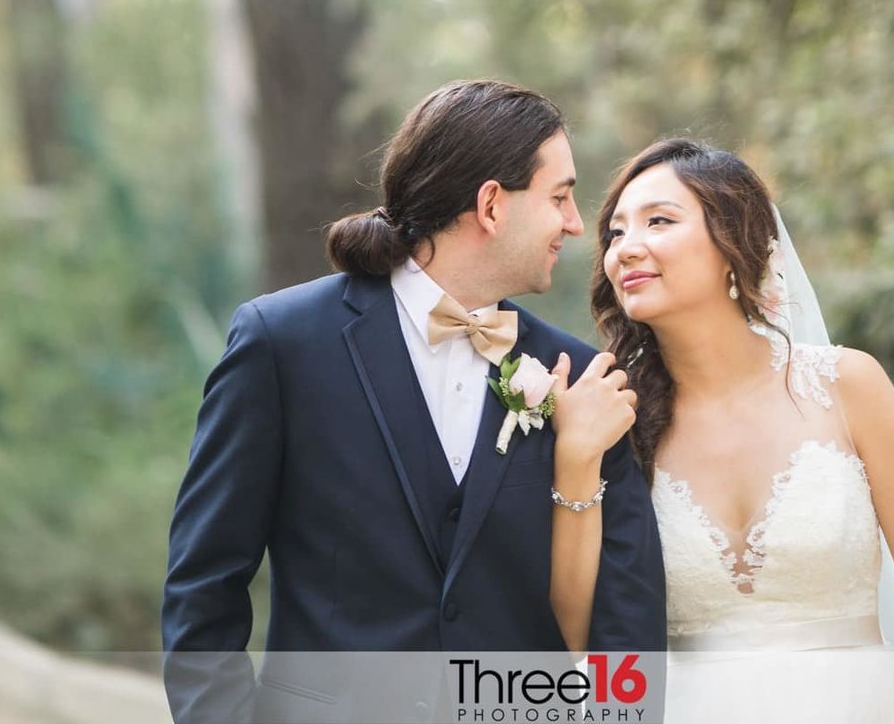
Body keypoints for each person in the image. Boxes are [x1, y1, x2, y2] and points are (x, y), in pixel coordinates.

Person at [162, 80, 667, 724]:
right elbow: (204, 582)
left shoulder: (578, 378)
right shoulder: (283, 342)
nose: (574, 223)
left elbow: (626, 616)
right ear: (491, 206)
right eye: (560, 197)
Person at [547, 137, 894, 724]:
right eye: (616, 233)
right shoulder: (616, 417)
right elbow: (578, 628)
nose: (627, 249)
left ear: (732, 243)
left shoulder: (848, 384)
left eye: (659, 221)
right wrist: (575, 458)